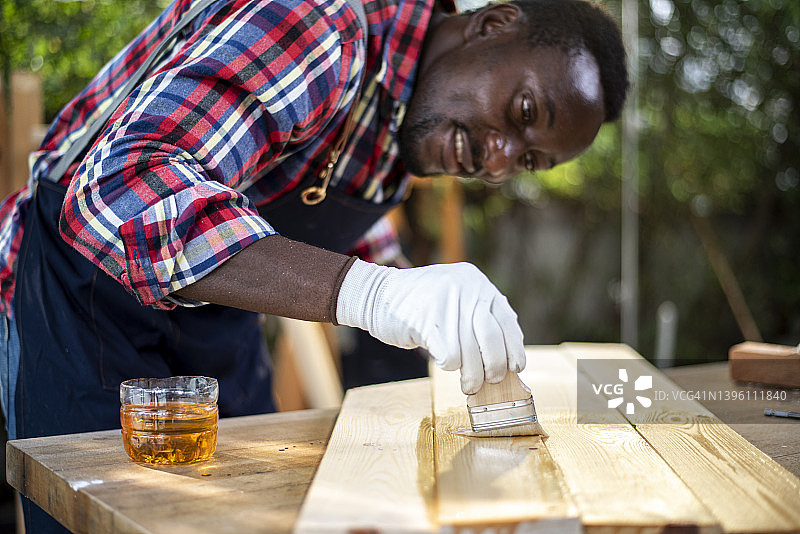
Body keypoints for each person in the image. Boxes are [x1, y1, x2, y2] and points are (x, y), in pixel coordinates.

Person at [0, 0, 627, 529]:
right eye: (522, 114)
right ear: (492, 24)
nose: (498, 159)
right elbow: (121, 189)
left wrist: (418, 299)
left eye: (526, 162)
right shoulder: (321, 22)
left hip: (218, 314)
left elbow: (331, 197)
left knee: (245, 514)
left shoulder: (405, 119)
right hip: (79, 294)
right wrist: (374, 295)